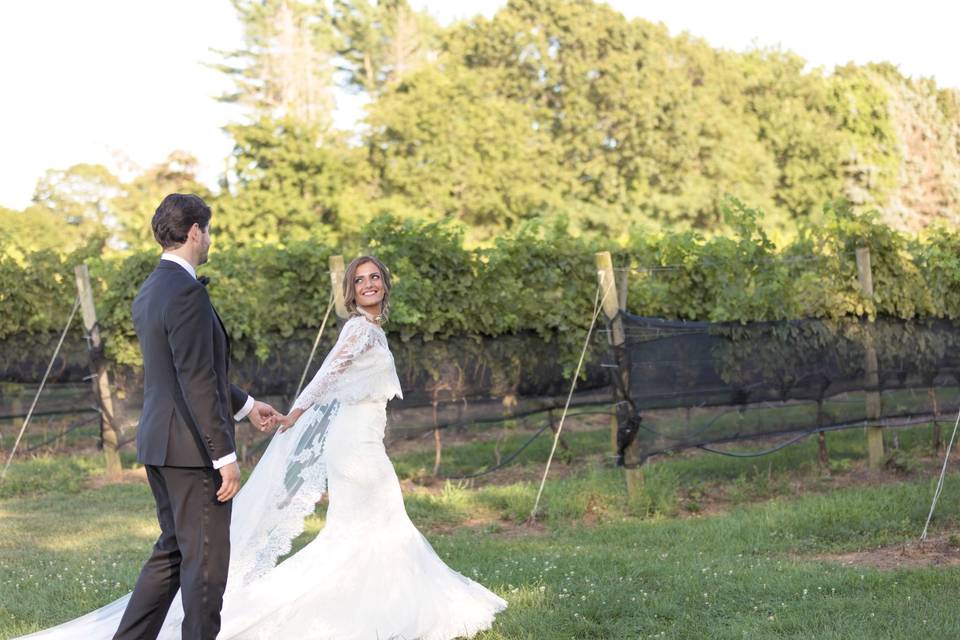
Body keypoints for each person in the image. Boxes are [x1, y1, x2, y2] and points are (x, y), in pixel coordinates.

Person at [18, 251, 506, 639]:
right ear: (350, 292)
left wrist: (252, 407)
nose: (369, 285)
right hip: (355, 451)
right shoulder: (358, 329)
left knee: (370, 528)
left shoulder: (372, 330)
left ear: (386, 284)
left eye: (375, 277)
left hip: (361, 442)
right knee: (368, 528)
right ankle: (365, 611)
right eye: (359, 280)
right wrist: (293, 413)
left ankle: (385, 601)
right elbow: (325, 374)